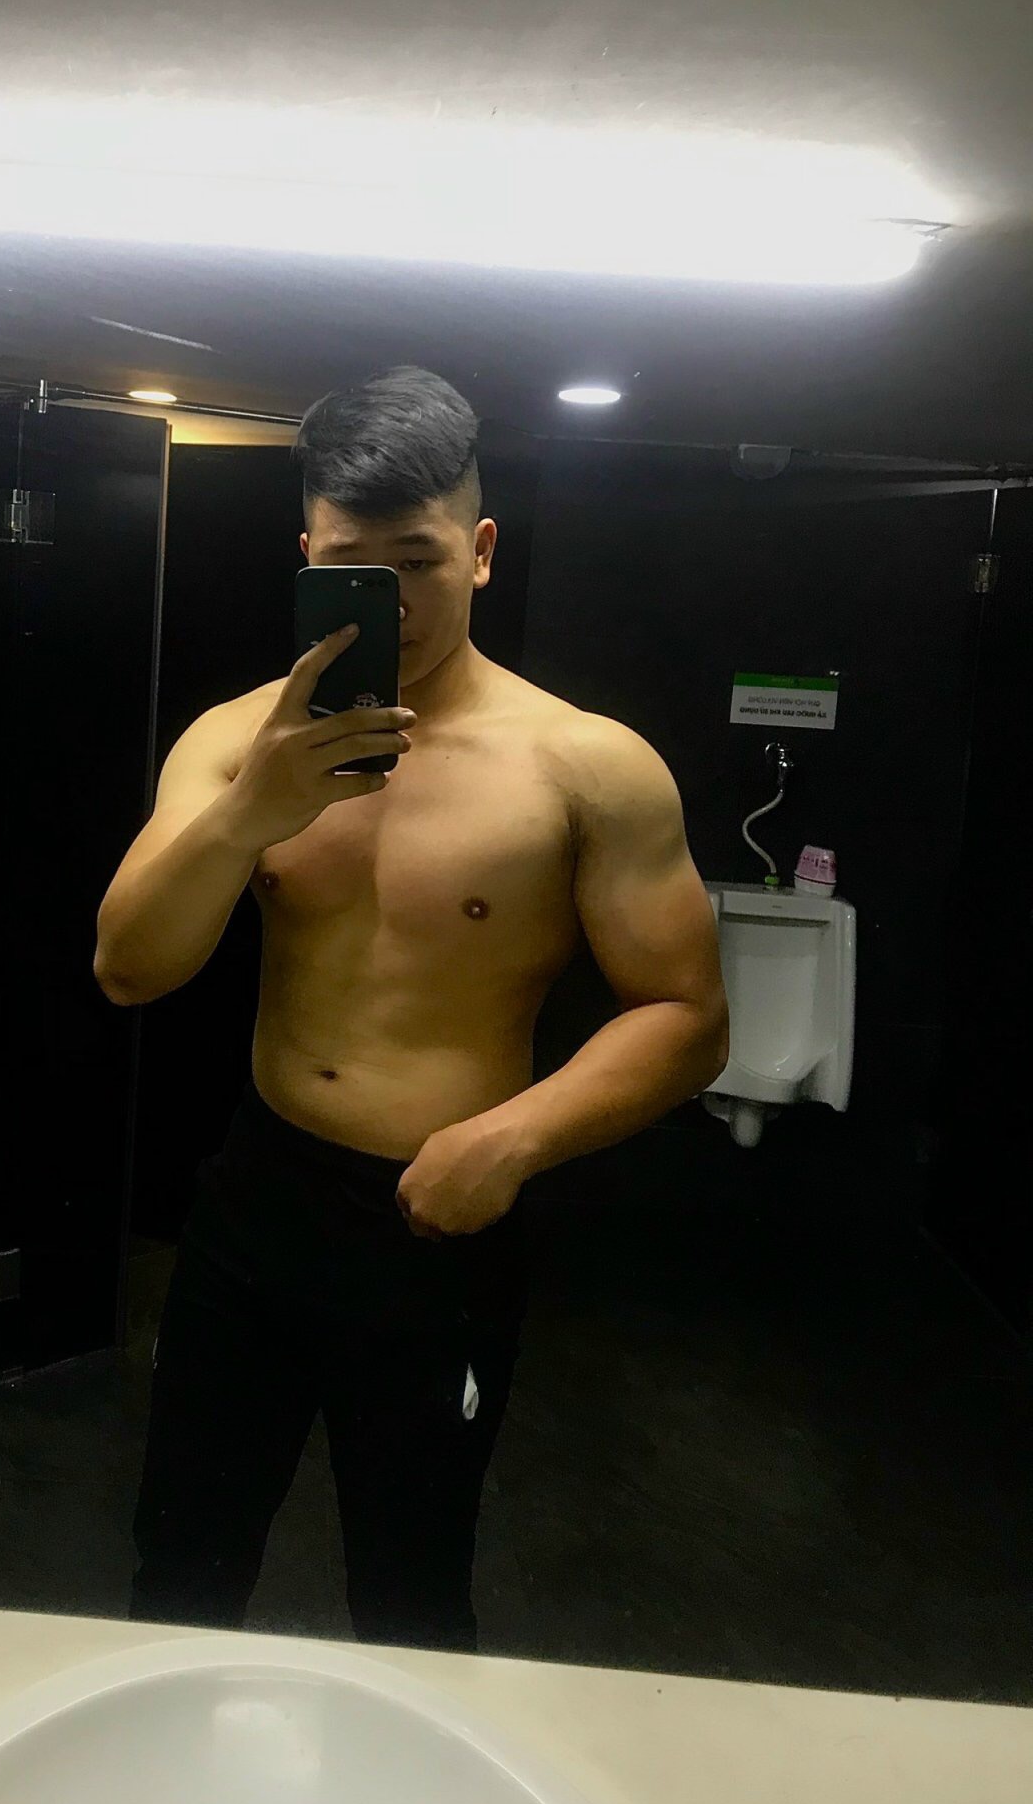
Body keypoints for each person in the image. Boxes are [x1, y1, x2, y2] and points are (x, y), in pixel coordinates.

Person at [95, 365, 728, 1652]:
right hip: (260, 1199)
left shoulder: (585, 764)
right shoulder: (234, 744)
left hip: (443, 1218)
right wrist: (247, 816)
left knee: (412, 1582)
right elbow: (128, 968)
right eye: (351, 566)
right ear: (307, 559)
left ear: (481, 551)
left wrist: (513, 1138)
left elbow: (687, 1013)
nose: (387, 597)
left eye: (419, 561)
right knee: (182, 1556)